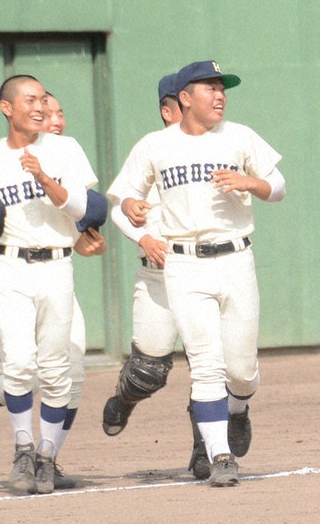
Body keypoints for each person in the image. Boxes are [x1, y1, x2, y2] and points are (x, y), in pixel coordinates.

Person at [108, 60, 286, 487]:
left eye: (223, 88)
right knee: (205, 364)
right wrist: (132, 208)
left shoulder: (240, 136)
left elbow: (278, 187)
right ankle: (219, 455)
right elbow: (125, 198)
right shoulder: (155, 145)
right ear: (185, 98)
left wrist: (251, 184)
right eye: (210, 87)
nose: (220, 94)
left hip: (235, 258)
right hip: (183, 262)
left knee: (240, 370)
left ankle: (239, 409)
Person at [0, 92, 107, 491]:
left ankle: (46, 457)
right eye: (34, 102)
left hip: (57, 268)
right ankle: (23, 451)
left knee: (63, 374)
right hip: (11, 268)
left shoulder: (65, 150)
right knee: (20, 366)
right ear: (6, 107)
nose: (45, 112)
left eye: (51, 106)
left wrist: (43, 178)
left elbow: (85, 214)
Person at [102, 73, 210, 481]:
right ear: (170, 110)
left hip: (204, 271)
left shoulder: (213, 150)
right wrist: (143, 235)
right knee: (149, 372)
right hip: (158, 277)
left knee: (208, 365)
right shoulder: (153, 152)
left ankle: (205, 448)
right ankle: (126, 398)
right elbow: (117, 209)